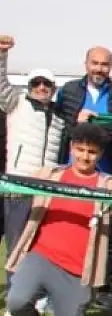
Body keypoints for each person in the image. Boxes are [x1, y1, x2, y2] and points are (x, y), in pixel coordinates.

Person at [6, 123, 112, 316]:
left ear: (100, 154)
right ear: (71, 148)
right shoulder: (48, 175)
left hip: (78, 270)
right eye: (80, 149)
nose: (85, 156)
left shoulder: (109, 185)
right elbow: (18, 190)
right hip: (41, 257)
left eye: (92, 152)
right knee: (16, 302)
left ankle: (63, 303)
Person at [0, 37, 65, 274]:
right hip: (19, 185)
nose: (41, 88)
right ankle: (14, 292)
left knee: (42, 242)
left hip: (47, 187)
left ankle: (37, 294)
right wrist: (2, 55)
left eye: (46, 84)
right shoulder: (16, 103)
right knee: (16, 240)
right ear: (29, 86)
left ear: (53, 88)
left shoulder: (59, 116)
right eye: (35, 83)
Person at [54, 46, 112, 175]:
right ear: (86, 64)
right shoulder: (68, 90)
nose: (99, 69)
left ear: (111, 67)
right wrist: (78, 124)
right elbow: (59, 122)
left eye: (104, 65)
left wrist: (101, 124)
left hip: (105, 172)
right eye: (95, 63)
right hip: (70, 169)